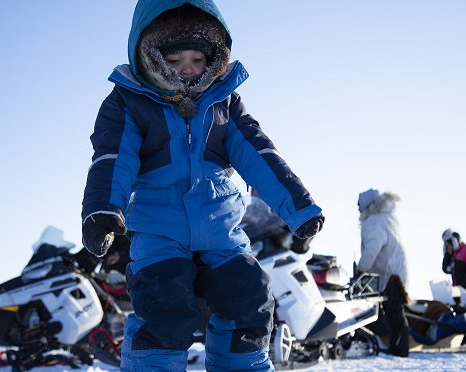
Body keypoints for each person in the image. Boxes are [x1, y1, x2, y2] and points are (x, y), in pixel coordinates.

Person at [80, 1, 324, 370]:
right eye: (175, 60)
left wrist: (299, 208)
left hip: (221, 229)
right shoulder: (128, 101)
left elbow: (260, 156)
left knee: (249, 296)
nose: (188, 70)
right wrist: (103, 211)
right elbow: (114, 159)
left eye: (197, 59)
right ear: (150, 57)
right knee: (164, 306)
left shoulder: (224, 102)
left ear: (215, 58)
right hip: (159, 230)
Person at [356, 188, 409, 291]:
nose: (358, 209)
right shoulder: (389, 218)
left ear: (366, 205)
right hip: (399, 278)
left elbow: (372, 249)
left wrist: (360, 270)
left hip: (388, 281)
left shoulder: (374, 221)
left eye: (359, 205)